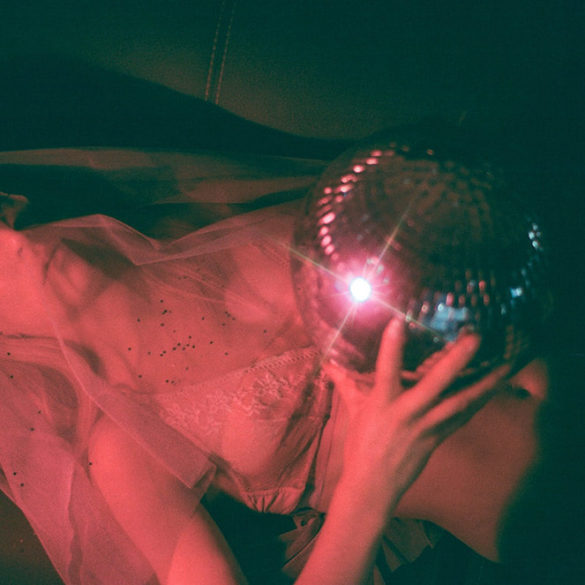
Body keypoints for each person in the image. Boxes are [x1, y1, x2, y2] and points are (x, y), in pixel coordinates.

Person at [0, 136, 555, 585]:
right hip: (541, 508)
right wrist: (371, 481)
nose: (14, 241)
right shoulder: (124, 449)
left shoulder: (201, 223)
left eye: (0, 213)